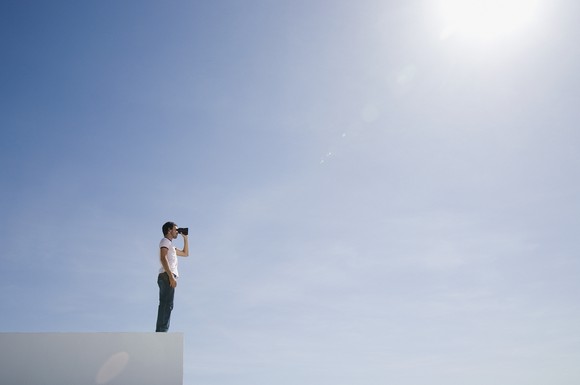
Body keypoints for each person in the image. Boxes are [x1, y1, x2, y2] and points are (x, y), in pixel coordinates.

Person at [156, 221, 189, 332]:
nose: (177, 231)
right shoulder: (165, 241)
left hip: (168, 275)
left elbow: (185, 253)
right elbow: (163, 257)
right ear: (169, 230)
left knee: (168, 305)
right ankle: (161, 332)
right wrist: (171, 276)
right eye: (176, 229)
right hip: (166, 275)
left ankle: (162, 331)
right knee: (166, 305)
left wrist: (185, 238)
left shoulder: (172, 246)